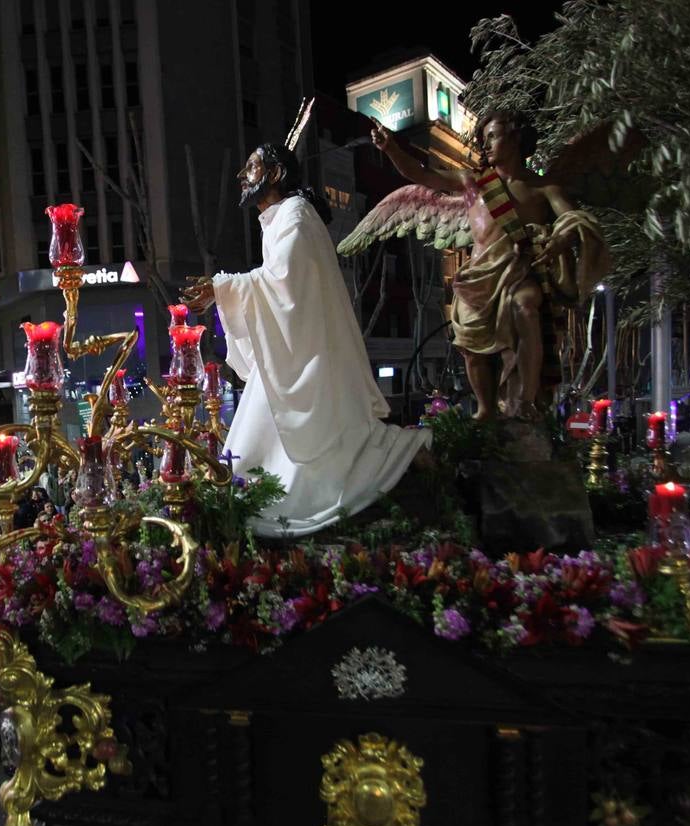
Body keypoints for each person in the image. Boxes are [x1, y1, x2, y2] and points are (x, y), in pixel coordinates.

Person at [181, 140, 430, 536]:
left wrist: (221, 288)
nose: (242, 176)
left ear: (276, 174)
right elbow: (278, 284)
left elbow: (285, 281)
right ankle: (251, 499)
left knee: (313, 439)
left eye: (251, 166)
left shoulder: (296, 214)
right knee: (260, 439)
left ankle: (394, 460)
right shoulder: (280, 218)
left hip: (309, 349)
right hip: (295, 343)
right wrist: (223, 289)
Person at [368, 111, 607, 420]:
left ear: (516, 138)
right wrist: (391, 148)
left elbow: (574, 221)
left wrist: (561, 239)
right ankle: (485, 409)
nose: (486, 145)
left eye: (493, 136)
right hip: (479, 276)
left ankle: (526, 400)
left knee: (526, 307)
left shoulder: (544, 188)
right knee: (470, 344)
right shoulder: (473, 182)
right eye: (484, 139)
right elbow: (422, 174)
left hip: (521, 272)